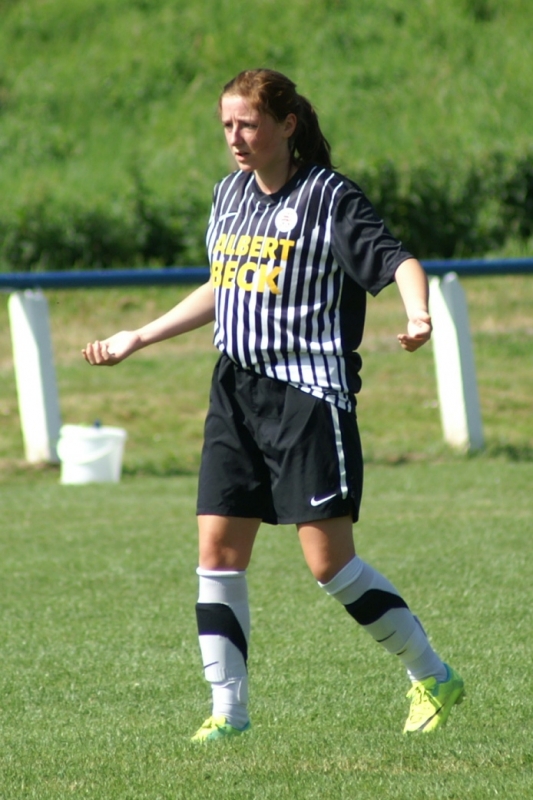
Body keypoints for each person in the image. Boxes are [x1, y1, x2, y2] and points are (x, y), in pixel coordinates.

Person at [83, 68, 465, 742]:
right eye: (227, 125)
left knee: (330, 566)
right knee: (217, 553)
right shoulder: (228, 194)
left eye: (249, 124)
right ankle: (228, 714)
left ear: (287, 125)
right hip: (236, 391)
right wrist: (139, 335)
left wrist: (418, 313)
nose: (235, 137)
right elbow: (224, 284)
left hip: (307, 397)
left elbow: (397, 261)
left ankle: (431, 674)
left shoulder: (328, 197)